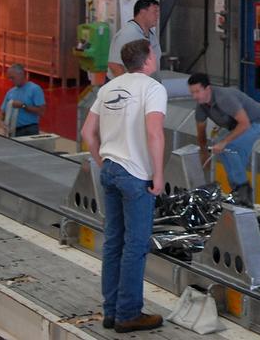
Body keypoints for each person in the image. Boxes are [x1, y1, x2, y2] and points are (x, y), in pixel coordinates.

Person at [80, 39, 167, 334]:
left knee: (113, 242)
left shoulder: (109, 87)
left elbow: (87, 132)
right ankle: (128, 314)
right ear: (147, 59)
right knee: (136, 245)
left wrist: (103, 162)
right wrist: (158, 174)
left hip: (111, 170)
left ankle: (112, 311)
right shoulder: (153, 88)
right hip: (135, 174)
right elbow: (154, 133)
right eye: (153, 53)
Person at [187, 72, 260, 206]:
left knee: (230, 148)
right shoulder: (201, 105)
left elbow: (245, 123)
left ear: (207, 89)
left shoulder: (224, 98)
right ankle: (236, 188)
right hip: (235, 126)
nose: (194, 96)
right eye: (192, 92)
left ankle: (244, 193)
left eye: (197, 91)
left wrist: (225, 142)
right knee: (219, 146)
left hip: (257, 122)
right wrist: (203, 152)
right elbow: (201, 131)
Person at [108, 0, 162, 79]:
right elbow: (115, 65)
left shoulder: (151, 33)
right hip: (130, 88)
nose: (157, 15)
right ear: (142, 12)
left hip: (147, 86)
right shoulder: (127, 34)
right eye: (155, 12)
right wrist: (129, 87)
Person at [0, 64, 46, 137]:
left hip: (29, 129)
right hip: (13, 130)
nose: (11, 80)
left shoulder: (35, 89)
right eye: (9, 78)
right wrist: (0, 121)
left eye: (12, 78)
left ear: (21, 74)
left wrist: (23, 106)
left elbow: (42, 111)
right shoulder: (10, 92)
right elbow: (2, 112)